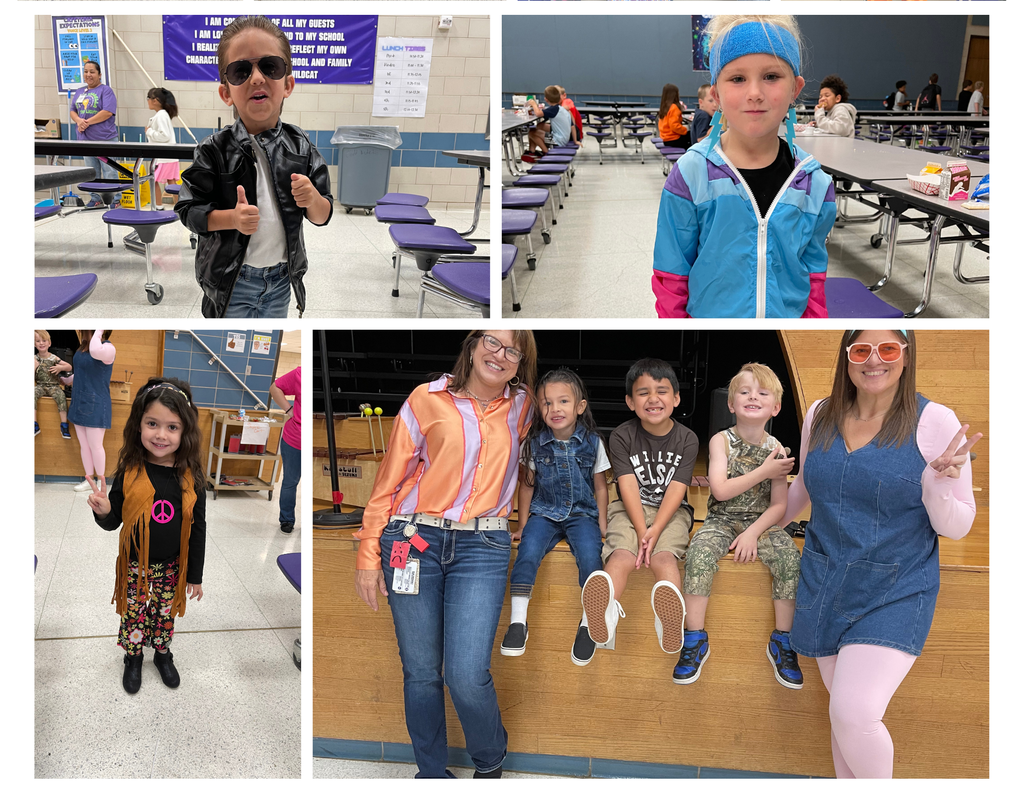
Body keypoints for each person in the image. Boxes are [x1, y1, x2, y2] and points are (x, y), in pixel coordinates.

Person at [782, 330, 981, 778]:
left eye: (888, 349)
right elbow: (802, 489)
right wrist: (753, 524)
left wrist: (934, 487)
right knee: (842, 720)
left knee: (854, 715)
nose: (874, 360)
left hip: (896, 588)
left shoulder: (936, 422)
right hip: (825, 580)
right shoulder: (821, 412)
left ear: (906, 357)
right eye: (861, 350)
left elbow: (958, 524)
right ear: (846, 357)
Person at [353, 330, 538, 778]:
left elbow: (541, 463)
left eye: (513, 350)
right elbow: (389, 482)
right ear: (473, 345)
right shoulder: (425, 398)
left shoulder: (526, 405)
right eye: (492, 343)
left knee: (466, 674)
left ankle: (490, 761)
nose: (500, 355)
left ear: (520, 362)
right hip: (410, 540)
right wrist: (367, 553)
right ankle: (431, 773)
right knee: (420, 672)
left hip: (484, 545)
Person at [652, 15, 835, 318]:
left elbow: (813, 277)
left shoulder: (815, 184)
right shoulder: (690, 176)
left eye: (771, 76)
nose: (754, 93)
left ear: (796, 89)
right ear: (715, 94)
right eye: (737, 79)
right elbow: (671, 276)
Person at [176, 15, 334, 319]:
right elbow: (188, 210)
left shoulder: (300, 145)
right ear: (226, 92)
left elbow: (322, 214)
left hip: (281, 280)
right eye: (241, 71)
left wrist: (312, 198)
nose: (257, 78)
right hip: (232, 281)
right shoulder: (214, 150)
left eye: (270, 66)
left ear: (287, 84)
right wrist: (231, 219)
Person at [678, 363, 802, 688]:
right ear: (731, 404)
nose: (752, 397)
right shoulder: (721, 441)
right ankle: (694, 638)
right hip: (720, 519)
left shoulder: (776, 448)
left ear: (775, 406)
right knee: (699, 555)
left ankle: (783, 641)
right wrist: (765, 471)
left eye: (762, 393)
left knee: (790, 559)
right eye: (744, 392)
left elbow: (778, 506)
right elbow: (719, 490)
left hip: (759, 523)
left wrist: (752, 532)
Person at [86, 378, 208, 695]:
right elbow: (114, 522)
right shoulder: (129, 469)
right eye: (152, 423)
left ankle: (162, 655)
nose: (160, 434)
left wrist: (194, 574)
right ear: (139, 424)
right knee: (134, 614)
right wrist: (103, 510)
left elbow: (198, 528)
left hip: (172, 564)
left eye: (172, 427)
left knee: (165, 613)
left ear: (185, 432)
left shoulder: (192, 477)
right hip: (135, 563)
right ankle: (134, 656)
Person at [581, 358, 698, 670]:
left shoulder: (688, 439)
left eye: (662, 391)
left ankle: (669, 620)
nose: (653, 398)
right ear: (630, 402)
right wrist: (640, 528)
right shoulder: (621, 436)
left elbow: (677, 489)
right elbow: (628, 486)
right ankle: (605, 610)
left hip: (671, 513)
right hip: (628, 508)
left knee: (664, 559)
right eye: (643, 393)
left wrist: (655, 529)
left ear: (676, 398)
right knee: (620, 554)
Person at [500, 369, 609, 666]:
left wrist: (602, 522)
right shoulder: (534, 442)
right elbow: (527, 485)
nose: (555, 409)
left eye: (563, 401)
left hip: (582, 514)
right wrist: (522, 525)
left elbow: (600, 486)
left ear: (580, 406)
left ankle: (589, 623)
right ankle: (518, 622)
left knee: (590, 557)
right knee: (527, 553)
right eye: (547, 403)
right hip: (545, 513)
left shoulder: (593, 442)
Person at [65, 330, 115, 492]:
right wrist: (67, 379)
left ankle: (101, 483)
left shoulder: (107, 348)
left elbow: (95, 351)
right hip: (79, 400)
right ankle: (89, 479)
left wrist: (99, 329)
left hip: (96, 404)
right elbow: (82, 371)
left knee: (96, 446)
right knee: (84, 446)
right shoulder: (82, 349)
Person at [70, 60, 119, 208]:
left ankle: (115, 199)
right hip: (86, 140)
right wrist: (79, 121)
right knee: (91, 172)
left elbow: (107, 112)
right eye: (86, 71)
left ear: (99, 74)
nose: (88, 74)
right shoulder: (80, 92)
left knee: (109, 171)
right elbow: (73, 110)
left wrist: (87, 122)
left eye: (92, 71)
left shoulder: (106, 91)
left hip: (105, 138)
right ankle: (95, 198)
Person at [269, 365, 301, 533]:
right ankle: (287, 520)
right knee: (290, 481)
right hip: (295, 438)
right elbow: (275, 387)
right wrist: (289, 410)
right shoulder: (300, 373)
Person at [145, 87, 181, 206]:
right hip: (168, 156)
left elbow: (164, 136)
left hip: (164, 157)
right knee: (171, 182)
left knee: (153, 180)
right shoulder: (162, 114)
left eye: (148, 98)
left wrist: (149, 131)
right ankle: (180, 206)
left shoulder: (161, 115)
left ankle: (158, 205)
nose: (148, 101)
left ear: (155, 100)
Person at [34, 330, 73, 440]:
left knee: (61, 396)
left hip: (54, 386)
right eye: (38, 341)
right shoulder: (34, 359)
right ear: (34, 344)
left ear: (49, 343)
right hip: (40, 386)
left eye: (44, 340)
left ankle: (64, 425)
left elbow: (69, 367)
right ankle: (34, 424)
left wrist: (60, 367)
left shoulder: (53, 358)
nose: (41, 343)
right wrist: (34, 367)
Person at [524, 86, 577, 160]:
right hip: (565, 138)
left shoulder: (553, 109)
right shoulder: (562, 109)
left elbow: (538, 114)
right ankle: (531, 151)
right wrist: (575, 141)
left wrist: (534, 104)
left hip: (558, 141)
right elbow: (572, 125)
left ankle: (546, 152)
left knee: (532, 133)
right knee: (538, 127)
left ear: (546, 99)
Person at [657, 83, 690, 150]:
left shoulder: (664, 107)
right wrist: (685, 130)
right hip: (674, 139)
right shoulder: (674, 107)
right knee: (692, 136)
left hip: (666, 139)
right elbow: (674, 126)